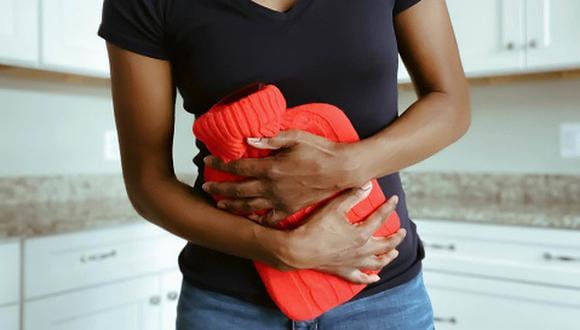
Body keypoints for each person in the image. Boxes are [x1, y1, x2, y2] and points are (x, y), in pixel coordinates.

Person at [97, 0, 470, 328]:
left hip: (381, 301)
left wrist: (344, 166)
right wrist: (280, 249)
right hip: (231, 307)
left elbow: (451, 103)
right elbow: (147, 183)